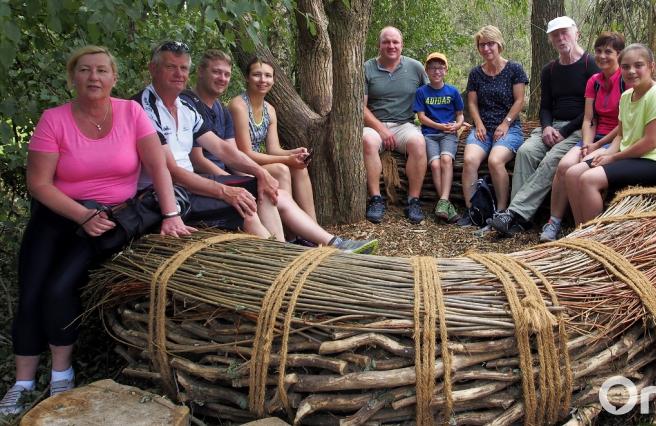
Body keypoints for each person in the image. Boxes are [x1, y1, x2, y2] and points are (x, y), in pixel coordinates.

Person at [0, 46, 194, 415]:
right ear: (73, 77)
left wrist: (170, 214)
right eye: (85, 70)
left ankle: (61, 374)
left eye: (102, 71)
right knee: (33, 289)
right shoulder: (54, 119)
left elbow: (158, 166)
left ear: (114, 78)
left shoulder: (131, 112)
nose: (94, 77)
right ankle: (22, 383)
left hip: (108, 219)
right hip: (58, 213)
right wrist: (80, 215)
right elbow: (39, 183)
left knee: (60, 287)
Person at [137, 42, 376, 253]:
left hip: (192, 186)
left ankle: (330, 243)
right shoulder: (144, 108)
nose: (179, 74)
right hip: (168, 193)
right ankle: (285, 255)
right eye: (171, 67)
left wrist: (261, 173)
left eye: (182, 68)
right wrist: (227, 188)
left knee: (271, 190)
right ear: (153, 68)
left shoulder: (185, 108)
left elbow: (223, 149)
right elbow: (171, 170)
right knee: (251, 200)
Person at [490, 16, 599, 236]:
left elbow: (592, 111)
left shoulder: (591, 64)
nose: (561, 38)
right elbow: (546, 106)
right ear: (550, 40)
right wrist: (547, 127)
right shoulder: (549, 70)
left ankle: (513, 214)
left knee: (551, 160)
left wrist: (564, 131)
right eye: (555, 35)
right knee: (526, 152)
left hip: (579, 128)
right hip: (552, 126)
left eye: (564, 32)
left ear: (576, 33)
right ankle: (521, 220)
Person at [565, 44, 656, 223]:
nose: (632, 71)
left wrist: (613, 158)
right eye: (626, 67)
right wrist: (606, 153)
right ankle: (579, 229)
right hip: (631, 157)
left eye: (638, 65)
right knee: (573, 173)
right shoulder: (627, 96)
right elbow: (620, 135)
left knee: (589, 179)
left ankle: (592, 236)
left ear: (651, 66)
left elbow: (651, 142)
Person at [539, 32, 627, 241]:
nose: (602, 56)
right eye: (598, 51)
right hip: (594, 136)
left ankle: (584, 230)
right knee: (563, 166)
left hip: (617, 138)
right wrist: (587, 144)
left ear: (619, 54)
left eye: (609, 52)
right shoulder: (594, 81)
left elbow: (626, 124)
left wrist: (596, 146)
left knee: (575, 171)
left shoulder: (625, 81)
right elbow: (589, 119)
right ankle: (554, 222)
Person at [227, 56, 317, 221]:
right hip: (240, 165)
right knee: (281, 169)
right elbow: (245, 152)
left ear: (274, 80)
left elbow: (274, 149)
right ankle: (289, 229)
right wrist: (287, 160)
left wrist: (294, 153)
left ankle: (313, 227)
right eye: (257, 75)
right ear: (247, 77)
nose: (263, 80)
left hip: (257, 162)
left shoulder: (270, 110)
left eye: (268, 76)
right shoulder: (238, 106)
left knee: (300, 168)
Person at [457, 25, 528, 226]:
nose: (487, 48)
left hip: (509, 128)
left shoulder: (514, 69)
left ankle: (502, 211)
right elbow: (471, 102)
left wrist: (505, 124)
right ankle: (473, 211)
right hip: (483, 128)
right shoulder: (475, 73)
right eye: (482, 45)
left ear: (499, 45)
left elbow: (519, 100)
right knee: (470, 160)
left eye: (491, 44)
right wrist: (477, 123)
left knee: (495, 161)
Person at [363, 26, 429, 224]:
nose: (391, 46)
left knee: (418, 143)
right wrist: (381, 129)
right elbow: (360, 106)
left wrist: (451, 120)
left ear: (402, 45)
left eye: (395, 42)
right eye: (386, 42)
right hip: (374, 124)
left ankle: (413, 201)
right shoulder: (367, 68)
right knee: (367, 141)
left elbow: (431, 94)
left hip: (404, 125)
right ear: (379, 45)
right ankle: (376, 199)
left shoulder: (416, 67)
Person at [412, 52, 465, 223]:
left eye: (441, 68)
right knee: (434, 165)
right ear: (427, 70)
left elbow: (460, 115)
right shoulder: (422, 92)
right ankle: (446, 203)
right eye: (433, 68)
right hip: (429, 134)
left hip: (448, 135)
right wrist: (438, 126)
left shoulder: (452, 91)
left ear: (446, 71)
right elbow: (421, 117)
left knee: (446, 160)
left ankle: (442, 201)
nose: (437, 71)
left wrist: (457, 125)